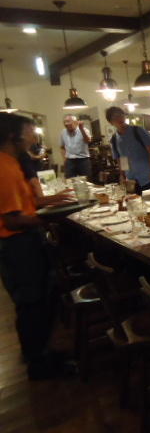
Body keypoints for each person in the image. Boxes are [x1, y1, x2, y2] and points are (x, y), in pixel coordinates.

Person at [0, 113, 73, 380]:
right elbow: (13, 219)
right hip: (16, 244)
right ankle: (39, 363)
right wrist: (53, 217)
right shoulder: (5, 168)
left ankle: (42, 353)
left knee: (40, 299)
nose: (34, 137)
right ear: (14, 136)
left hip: (21, 242)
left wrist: (55, 202)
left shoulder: (12, 163)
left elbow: (26, 204)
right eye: (30, 131)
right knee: (31, 303)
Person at [105, 107, 150, 193]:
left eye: (120, 115)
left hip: (148, 176)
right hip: (131, 180)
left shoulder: (138, 131)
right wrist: (122, 175)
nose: (119, 118)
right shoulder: (114, 139)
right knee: (135, 201)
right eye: (115, 117)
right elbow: (122, 159)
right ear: (110, 122)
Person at [59, 114, 91, 179]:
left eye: (68, 121)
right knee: (69, 180)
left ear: (76, 122)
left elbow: (88, 141)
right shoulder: (63, 132)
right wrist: (64, 159)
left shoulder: (84, 130)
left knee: (87, 180)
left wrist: (82, 129)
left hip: (83, 159)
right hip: (70, 160)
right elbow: (62, 147)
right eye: (65, 122)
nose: (66, 124)